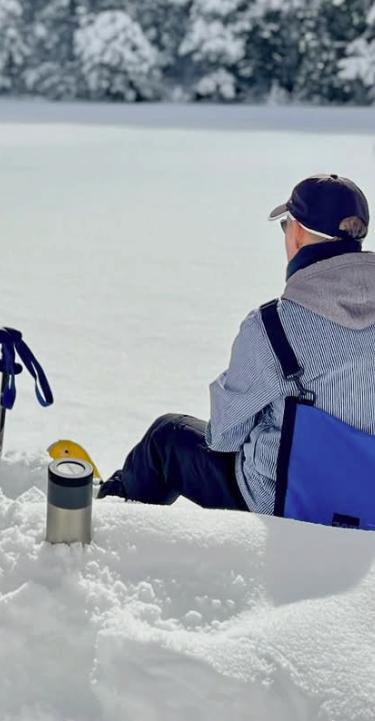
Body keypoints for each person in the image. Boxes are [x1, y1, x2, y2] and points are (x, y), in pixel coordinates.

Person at [98, 174, 375, 514]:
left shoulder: (275, 326)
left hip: (286, 504)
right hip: (369, 506)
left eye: (286, 225)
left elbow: (223, 436)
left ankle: (108, 518)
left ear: (299, 233)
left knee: (166, 438)